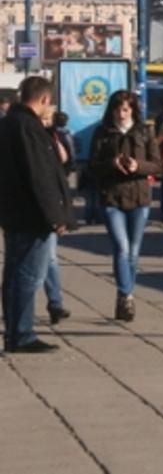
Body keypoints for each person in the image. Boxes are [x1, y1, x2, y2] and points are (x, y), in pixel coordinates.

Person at [0, 76, 71, 353]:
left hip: (14, 211)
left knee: (16, 274)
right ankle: (21, 334)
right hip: (32, 215)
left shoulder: (8, 124)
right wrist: (56, 215)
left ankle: (17, 332)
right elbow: (40, 176)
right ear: (43, 99)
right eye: (49, 103)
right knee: (28, 276)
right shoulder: (29, 128)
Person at [90, 89, 160, 322]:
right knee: (122, 247)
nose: (122, 114)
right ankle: (126, 296)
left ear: (133, 110)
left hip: (139, 198)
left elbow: (157, 165)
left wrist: (137, 166)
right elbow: (92, 165)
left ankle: (125, 296)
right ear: (112, 110)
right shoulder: (102, 132)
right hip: (112, 197)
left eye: (126, 109)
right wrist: (111, 163)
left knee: (134, 251)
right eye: (118, 109)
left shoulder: (145, 132)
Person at [41, 108, 75, 325]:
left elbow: (67, 163)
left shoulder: (57, 136)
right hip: (35, 207)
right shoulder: (31, 137)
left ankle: (55, 304)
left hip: (52, 202)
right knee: (29, 264)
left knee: (50, 258)